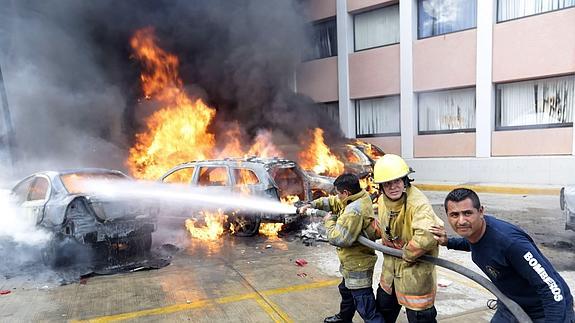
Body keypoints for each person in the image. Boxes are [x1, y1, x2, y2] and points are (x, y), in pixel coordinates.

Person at [430, 188, 575, 323]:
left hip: (544, 311)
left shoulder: (510, 243)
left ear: (480, 212)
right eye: (454, 215)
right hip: (510, 304)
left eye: (467, 213)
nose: (461, 221)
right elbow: (476, 244)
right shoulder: (476, 233)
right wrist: (448, 242)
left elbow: (551, 289)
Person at [300, 173, 383, 323]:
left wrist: (329, 220)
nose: (336, 196)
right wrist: (312, 205)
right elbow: (332, 201)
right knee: (346, 291)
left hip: (358, 265)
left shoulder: (354, 211)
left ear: (346, 193)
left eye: (338, 193)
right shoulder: (358, 196)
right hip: (351, 263)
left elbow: (338, 238)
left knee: (365, 307)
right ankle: (344, 319)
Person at [372, 154, 443, 323]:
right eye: (387, 183)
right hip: (390, 274)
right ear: (380, 187)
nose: (393, 187)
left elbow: (427, 234)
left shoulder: (417, 203)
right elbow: (383, 226)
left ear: (405, 180)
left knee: (420, 318)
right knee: (382, 314)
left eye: (397, 181)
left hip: (415, 274)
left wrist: (407, 254)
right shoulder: (382, 200)